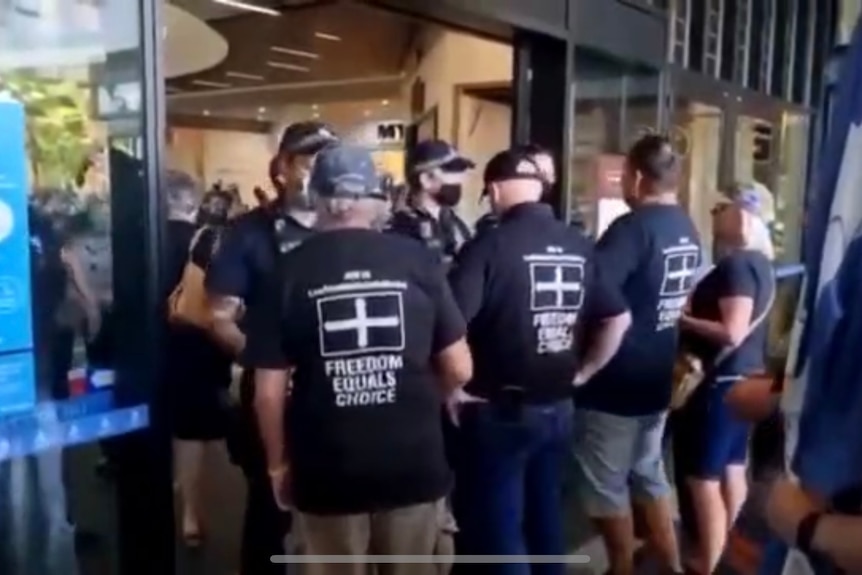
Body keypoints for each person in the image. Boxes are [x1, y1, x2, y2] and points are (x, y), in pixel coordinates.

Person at [244, 143, 472, 575]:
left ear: (317, 198)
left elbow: (268, 394)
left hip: (326, 471)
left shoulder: (286, 273)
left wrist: (277, 466)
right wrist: (420, 396)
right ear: (375, 199)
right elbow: (460, 367)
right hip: (413, 465)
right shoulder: (417, 261)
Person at [447, 148, 632, 575]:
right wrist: (584, 371)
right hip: (559, 405)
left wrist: (451, 386)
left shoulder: (488, 246)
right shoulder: (579, 244)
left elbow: (449, 326)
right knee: (546, 516)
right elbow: (618, 317)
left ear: (494, 190)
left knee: (501, 528)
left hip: (501, 411)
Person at [205, 120, 337, 575]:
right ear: (281, 168)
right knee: (270, 511)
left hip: (339, 397)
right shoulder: (248, 233)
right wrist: (268, 362)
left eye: (326, 161)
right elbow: (218, 316)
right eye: (308, 160)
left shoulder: (345, 229)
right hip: (272, 399)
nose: (317, 171)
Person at [572, 134, 701, 575]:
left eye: (626, 173)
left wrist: (583, 366)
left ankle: (621, 567)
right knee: (648, 473)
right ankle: (671, 565)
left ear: (638, 177)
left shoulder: (631, 230)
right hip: (657, 377)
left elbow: (592, 297)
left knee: (606, 484)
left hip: (615, 382)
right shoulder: (686, 226)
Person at [673, 186, 775, 574]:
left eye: (721, 207)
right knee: (733, 468)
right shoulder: (761, 264)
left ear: (744, 216)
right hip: (746, 376)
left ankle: (710, 561)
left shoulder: (736, 266)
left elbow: (732, 331)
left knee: (704, 479)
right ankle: (729, 551)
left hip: (722, 383)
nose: (714, 214)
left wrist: (684, 320)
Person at [163, 170, 233, 546]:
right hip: (197, 343)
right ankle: (192, 508)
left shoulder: (141, 237)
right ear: (192, 200)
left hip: (156, 345)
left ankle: (183, 496)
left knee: (176, 428)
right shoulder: (205, 240)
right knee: (196, 431)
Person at [388, 139, 474, 266]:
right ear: (426, 179)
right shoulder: (400, 229)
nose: (460, 179)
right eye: (450, 171)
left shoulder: (456, 223)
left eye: (460, 172)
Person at [474, 143, 556, 236]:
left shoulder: (559, 229)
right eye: (539, 173)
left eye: (549, 174)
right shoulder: (493, 227)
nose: (548, 180)